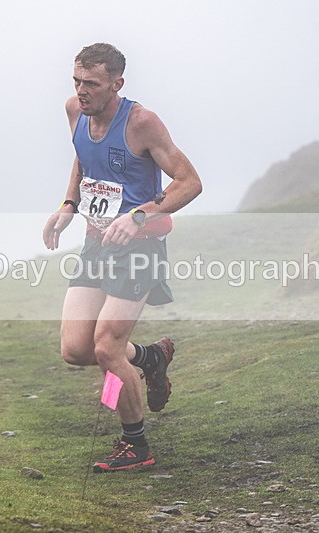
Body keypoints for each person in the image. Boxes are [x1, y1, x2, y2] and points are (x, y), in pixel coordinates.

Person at [42, 43, 202, 472]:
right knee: (76, 349)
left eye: (91, 83)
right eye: (77, 81)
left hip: (141, 245)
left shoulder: (142, 123)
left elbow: (189, 182)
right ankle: (150, 358)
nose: (82, 90)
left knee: (107, 347)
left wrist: (140, 214)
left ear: (117, 84)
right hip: (97, 242)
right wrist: (68, 205)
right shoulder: (76, 110)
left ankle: (136, 447)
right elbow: (83, 156)